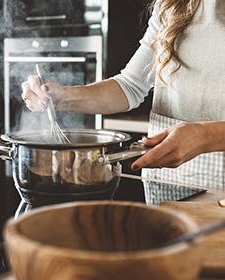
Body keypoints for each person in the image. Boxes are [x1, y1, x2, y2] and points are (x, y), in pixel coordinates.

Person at [21, 0, 225, 189]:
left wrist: (206, 136)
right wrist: (62, 96)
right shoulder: (172, 4)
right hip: (168, 181)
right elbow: (130, 85)